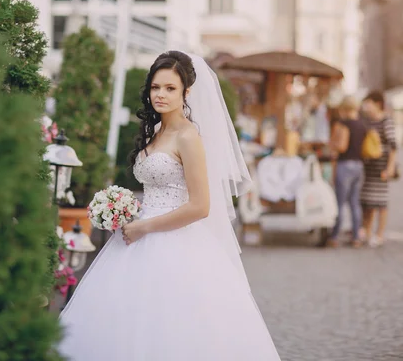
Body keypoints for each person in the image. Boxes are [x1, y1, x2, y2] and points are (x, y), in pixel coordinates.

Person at [58, 51, 281, 360]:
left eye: (170, 88)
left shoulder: (189, 137)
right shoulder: (157, 131)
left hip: (175, 242)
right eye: (155, 87)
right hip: (138, 234)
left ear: (186, 92)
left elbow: (200, 206)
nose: (160, 95)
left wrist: (143, 226)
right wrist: (125, 208)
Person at [326, 96, 367, 248]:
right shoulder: (362, 125)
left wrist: (332, 143)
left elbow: (342, 147)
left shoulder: (343, 124)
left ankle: (335, 235)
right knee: (354, 203)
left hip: (345, 165)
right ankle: (356, 236)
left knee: (339, 202)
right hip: (358, 165)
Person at [360, 91, 397, 247]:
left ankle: (379, 234)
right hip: (369, 166)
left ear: (377, 104)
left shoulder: (386, 121)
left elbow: (393, 146)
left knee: (381, 202)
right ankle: (366, 231)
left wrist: (390, 167)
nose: (366, 106)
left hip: (381, 166)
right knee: (368, 201)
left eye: (369, 103)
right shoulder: (367, 121)